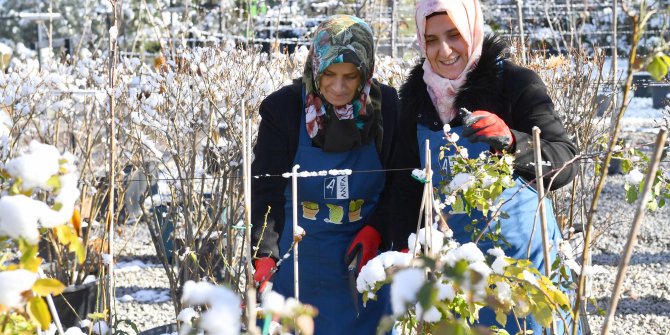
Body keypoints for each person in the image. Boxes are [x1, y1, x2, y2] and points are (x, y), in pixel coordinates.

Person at [384, 0, 581, 333]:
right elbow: (405, 187)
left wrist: (514, 141)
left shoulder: (515, 84)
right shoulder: (416, 102)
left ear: (472, 28)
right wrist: (400, 245)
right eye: (431, 39)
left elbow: (566, 160)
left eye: (454, 35)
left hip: (523, 265)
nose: (444, 50)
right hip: (457, 273)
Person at [250, 15, 400, 335]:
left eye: (351, 75)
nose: (339, 87)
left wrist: (379, 229)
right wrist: (264, 252)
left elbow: (402, 185)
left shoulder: (387, 107)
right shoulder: (284, 109)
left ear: (367, 70)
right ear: (315, 67)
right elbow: (267, 191)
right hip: (301, 260)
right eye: (329, 74)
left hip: (366, 260)